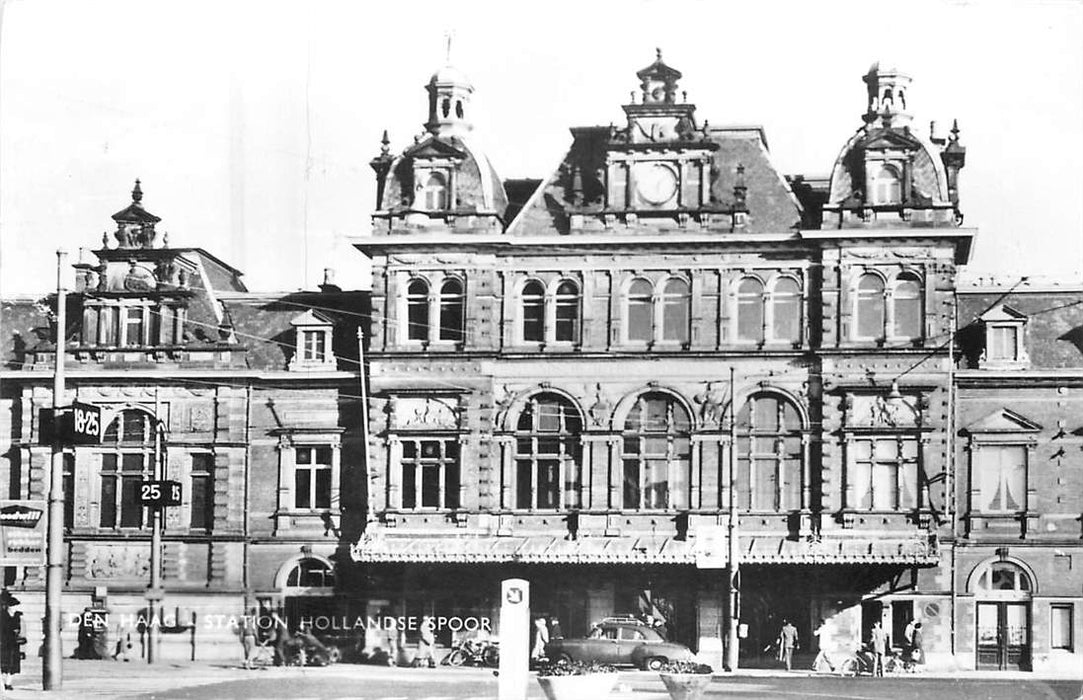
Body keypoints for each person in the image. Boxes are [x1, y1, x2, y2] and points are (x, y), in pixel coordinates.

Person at [0, 591, 24, 690]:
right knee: (3, 664)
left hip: (13, 644)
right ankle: (2, 683)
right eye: (14, 606)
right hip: (3, 643)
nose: (16, 608)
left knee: (12, 665)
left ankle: (8, 683)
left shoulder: (17, 617)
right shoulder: (2, 615)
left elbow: (20, 629)